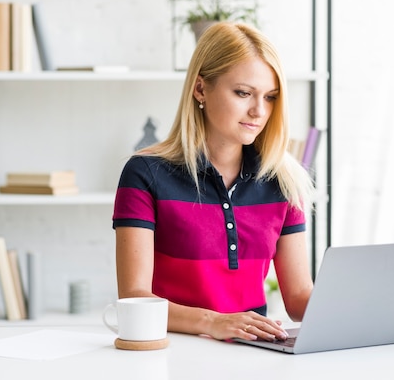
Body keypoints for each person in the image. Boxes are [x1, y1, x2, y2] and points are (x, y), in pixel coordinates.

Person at [112, 22, 314, 342]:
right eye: (243, 93)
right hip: (171, 349)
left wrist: (366, 307)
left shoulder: (284, 180)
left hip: (253, 353)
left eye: (271, 97)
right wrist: (214, 322)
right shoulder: (145, 173)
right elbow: (135, 298)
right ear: (201, 89)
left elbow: (300, 299)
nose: (259, 111)